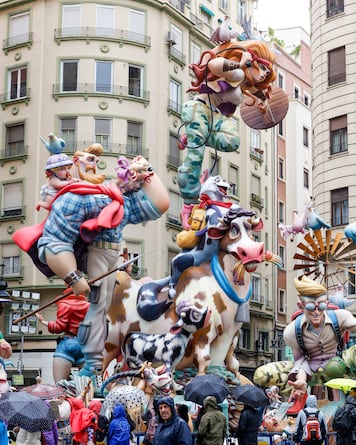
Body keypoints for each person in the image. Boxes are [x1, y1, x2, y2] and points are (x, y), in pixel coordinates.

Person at [13, 154, 169, 389]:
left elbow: (158, 205)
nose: (92, 166)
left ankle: (100, 362)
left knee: (106, 308)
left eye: (95, 163)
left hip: (112, 259)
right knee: (98, 307)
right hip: (95, 259)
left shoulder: (119, 200)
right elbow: (53, 243)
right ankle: (92, 365)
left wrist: (147, 169)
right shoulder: (75, 198)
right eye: (87, 162)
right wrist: (73, 277)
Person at [177, 37, 277, 226]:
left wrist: (262, 103)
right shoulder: (237, 72)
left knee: (233, 140)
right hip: (198, 109)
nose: (265, 74)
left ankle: (192, 136)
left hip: (215, 117)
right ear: (253, 62)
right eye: (263, 68)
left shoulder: (244, 83)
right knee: (195, 156)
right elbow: (214, 64)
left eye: (268, 71)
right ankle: (189, 204)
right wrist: (240, 62)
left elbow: (252, 94)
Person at [284, 276, 356, 406]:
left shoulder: (339, 317)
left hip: (340, 364)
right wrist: (301, 380)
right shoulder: (291, 331)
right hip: (311, 371)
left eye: (322, 305)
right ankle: (297, 403)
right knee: (263, 374)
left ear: (327, 302)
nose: (317, 311)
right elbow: (300, 361)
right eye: (310, 306)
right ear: (300, 306)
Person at [36, 291, 89, 382]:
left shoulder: (64, 304)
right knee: (87, 386)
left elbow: (59, 327)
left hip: (68, 342)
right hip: (84, 345)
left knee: (60, 386)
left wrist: (43, 321)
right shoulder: (89, 306)